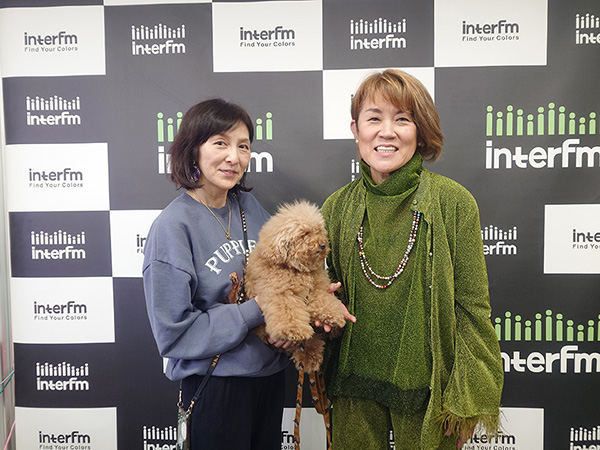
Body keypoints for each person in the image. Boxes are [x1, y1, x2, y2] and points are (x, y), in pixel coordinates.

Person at [321, 69, 504, 450]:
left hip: (430, 390)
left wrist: (467, 400)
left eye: (402, 119)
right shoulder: (336, 208)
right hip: (352, 385)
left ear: (420, 131)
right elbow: (325, 293)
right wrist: (323, 306)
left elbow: (473, 308)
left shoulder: (454, 202)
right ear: (356, 130)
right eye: (374, 119)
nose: (386, 132)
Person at [142, 98, 290, 450]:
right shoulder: (172, 227)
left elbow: (283, 274)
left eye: (243, 146)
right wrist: (257, 309)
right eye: (220, 143)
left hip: (269, 380)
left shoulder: (249, 208)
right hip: (217, 387)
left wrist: (289, 322)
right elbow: (174, 335)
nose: (233, 157)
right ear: (193, 149)